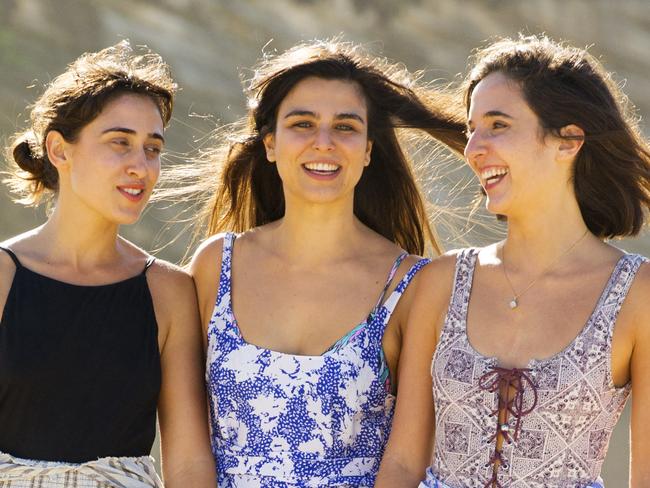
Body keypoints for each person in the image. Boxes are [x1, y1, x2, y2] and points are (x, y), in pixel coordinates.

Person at [188, 39, 467, 487]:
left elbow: (406, 465)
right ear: (271, 144)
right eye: (303, 124)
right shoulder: (217, 266)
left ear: (369, 151)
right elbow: (187, 457)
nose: (324, 143)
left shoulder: (412, 285)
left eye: (345, 127)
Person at [376, 34, 650, 488]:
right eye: (471, 130)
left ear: (568, 140)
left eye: (498, 125)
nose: (472, 148)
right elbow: (404, 464)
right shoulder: (441, 282)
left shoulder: (638, 294)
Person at [0, 41, 215, 487]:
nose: (141, 166)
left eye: (153, 148)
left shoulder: (169, 291)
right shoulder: (2, 277)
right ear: (59, 150)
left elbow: (190, 463)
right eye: (120, 142)